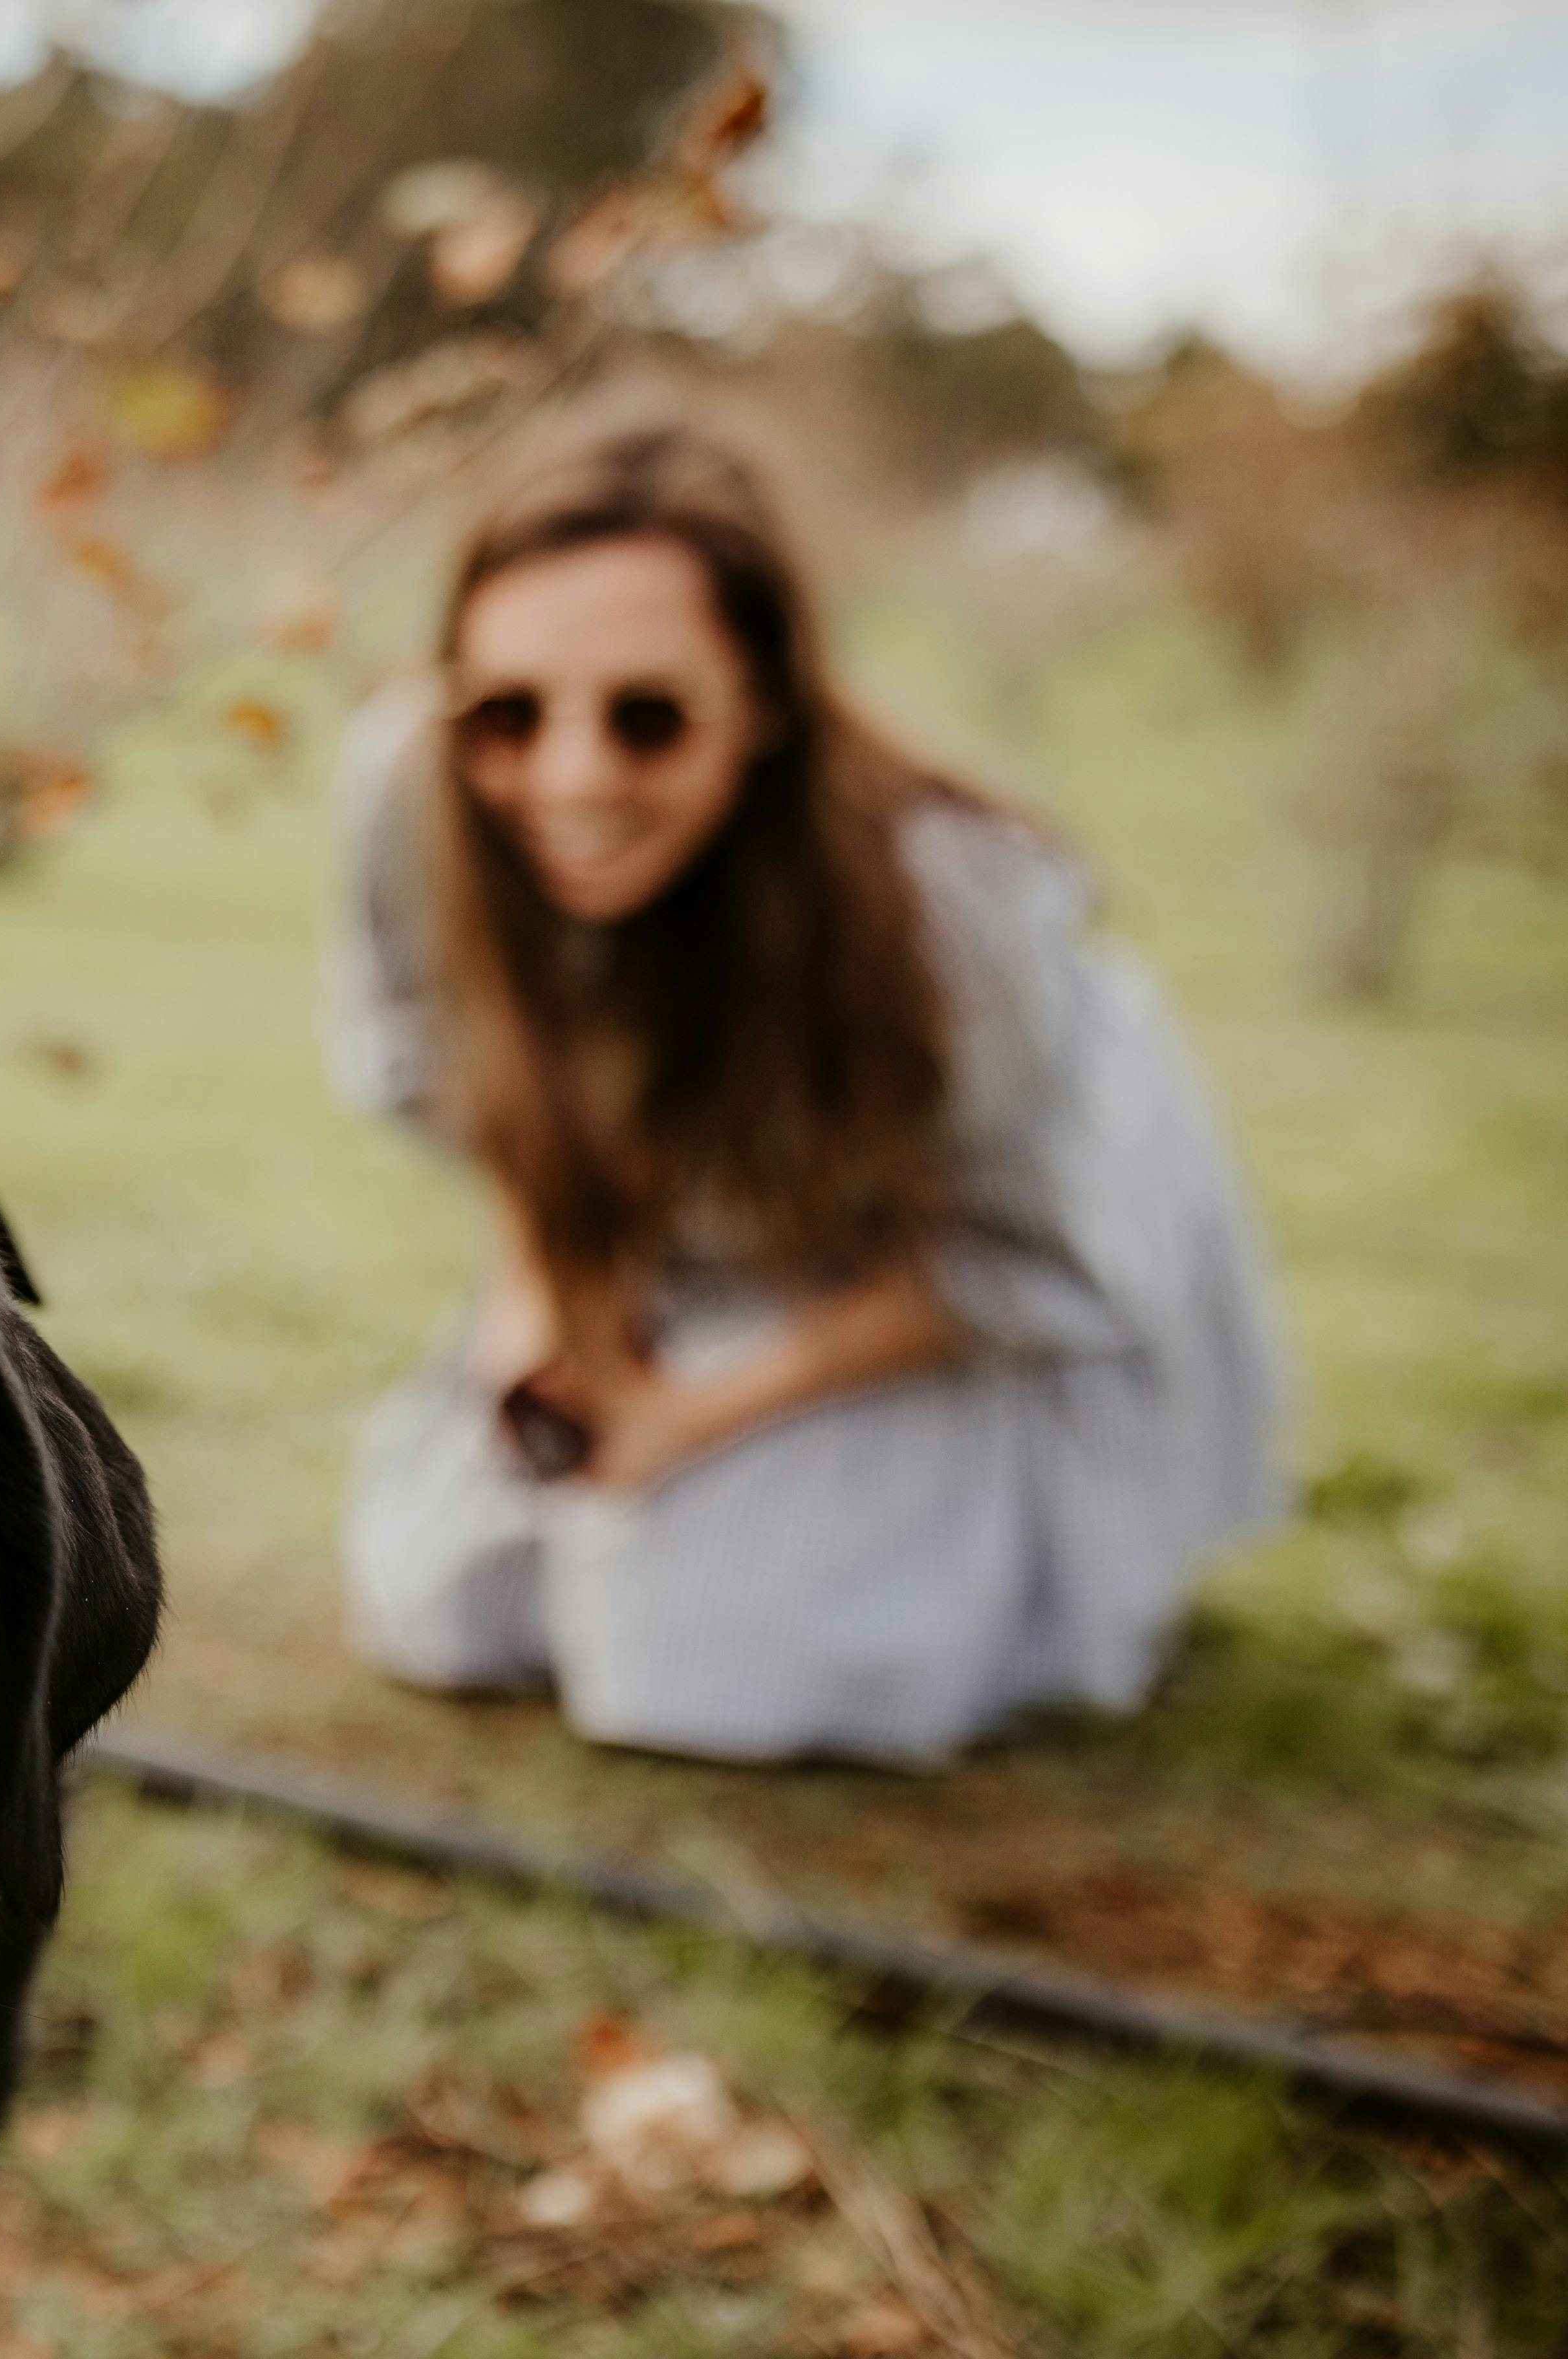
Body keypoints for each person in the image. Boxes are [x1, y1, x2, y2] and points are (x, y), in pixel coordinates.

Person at [328, 422, 1281, 1764]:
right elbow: (466, 1083)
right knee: (441, 1611)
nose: (571, 777)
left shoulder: (954, 900)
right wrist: (540, 1301)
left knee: (699, 1678)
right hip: (683, 1251)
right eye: (508, 713)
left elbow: (1028, 1263)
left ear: (766, 702)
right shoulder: (412, 785)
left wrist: (691, 1417)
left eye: (647, 716)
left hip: (944, 1288)